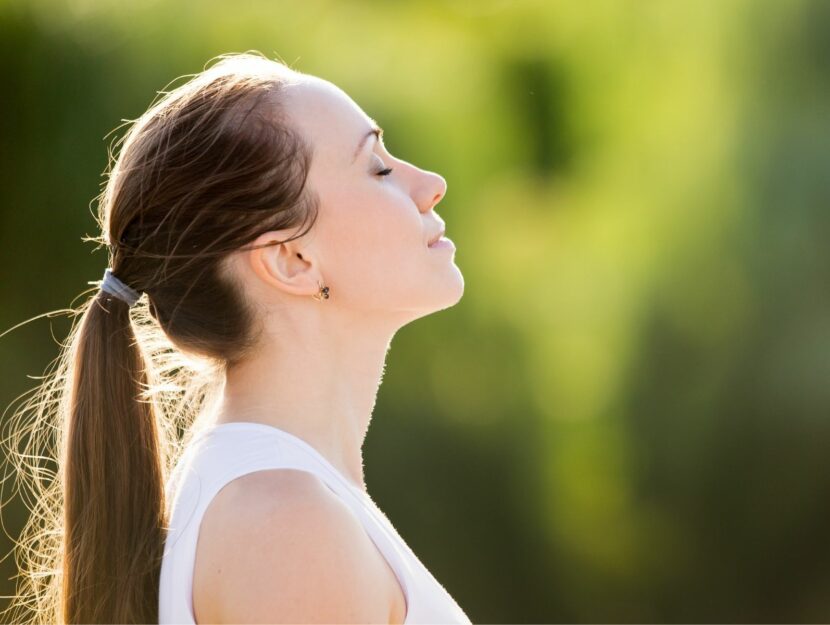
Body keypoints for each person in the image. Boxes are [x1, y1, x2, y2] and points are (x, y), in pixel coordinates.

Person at [0, 51, 469, 624]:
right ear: (292, 259)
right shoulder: (286, 524)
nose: (432, 185)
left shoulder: (284, 501)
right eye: (377, 167)